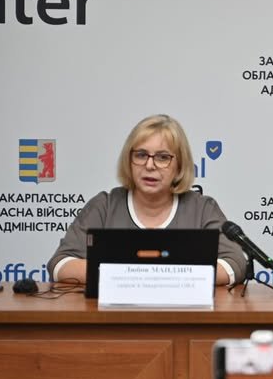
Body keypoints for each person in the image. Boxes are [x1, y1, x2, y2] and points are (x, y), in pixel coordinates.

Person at [47, 114, 247, 286]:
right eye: (141, 155)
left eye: (162, 157)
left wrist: (153, 278)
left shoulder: (201, 208)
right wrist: (139, 277)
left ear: (179, 166)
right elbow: (60, 265)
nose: (150, 165)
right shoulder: (105, 206)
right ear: (129, 160)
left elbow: (234, 265)